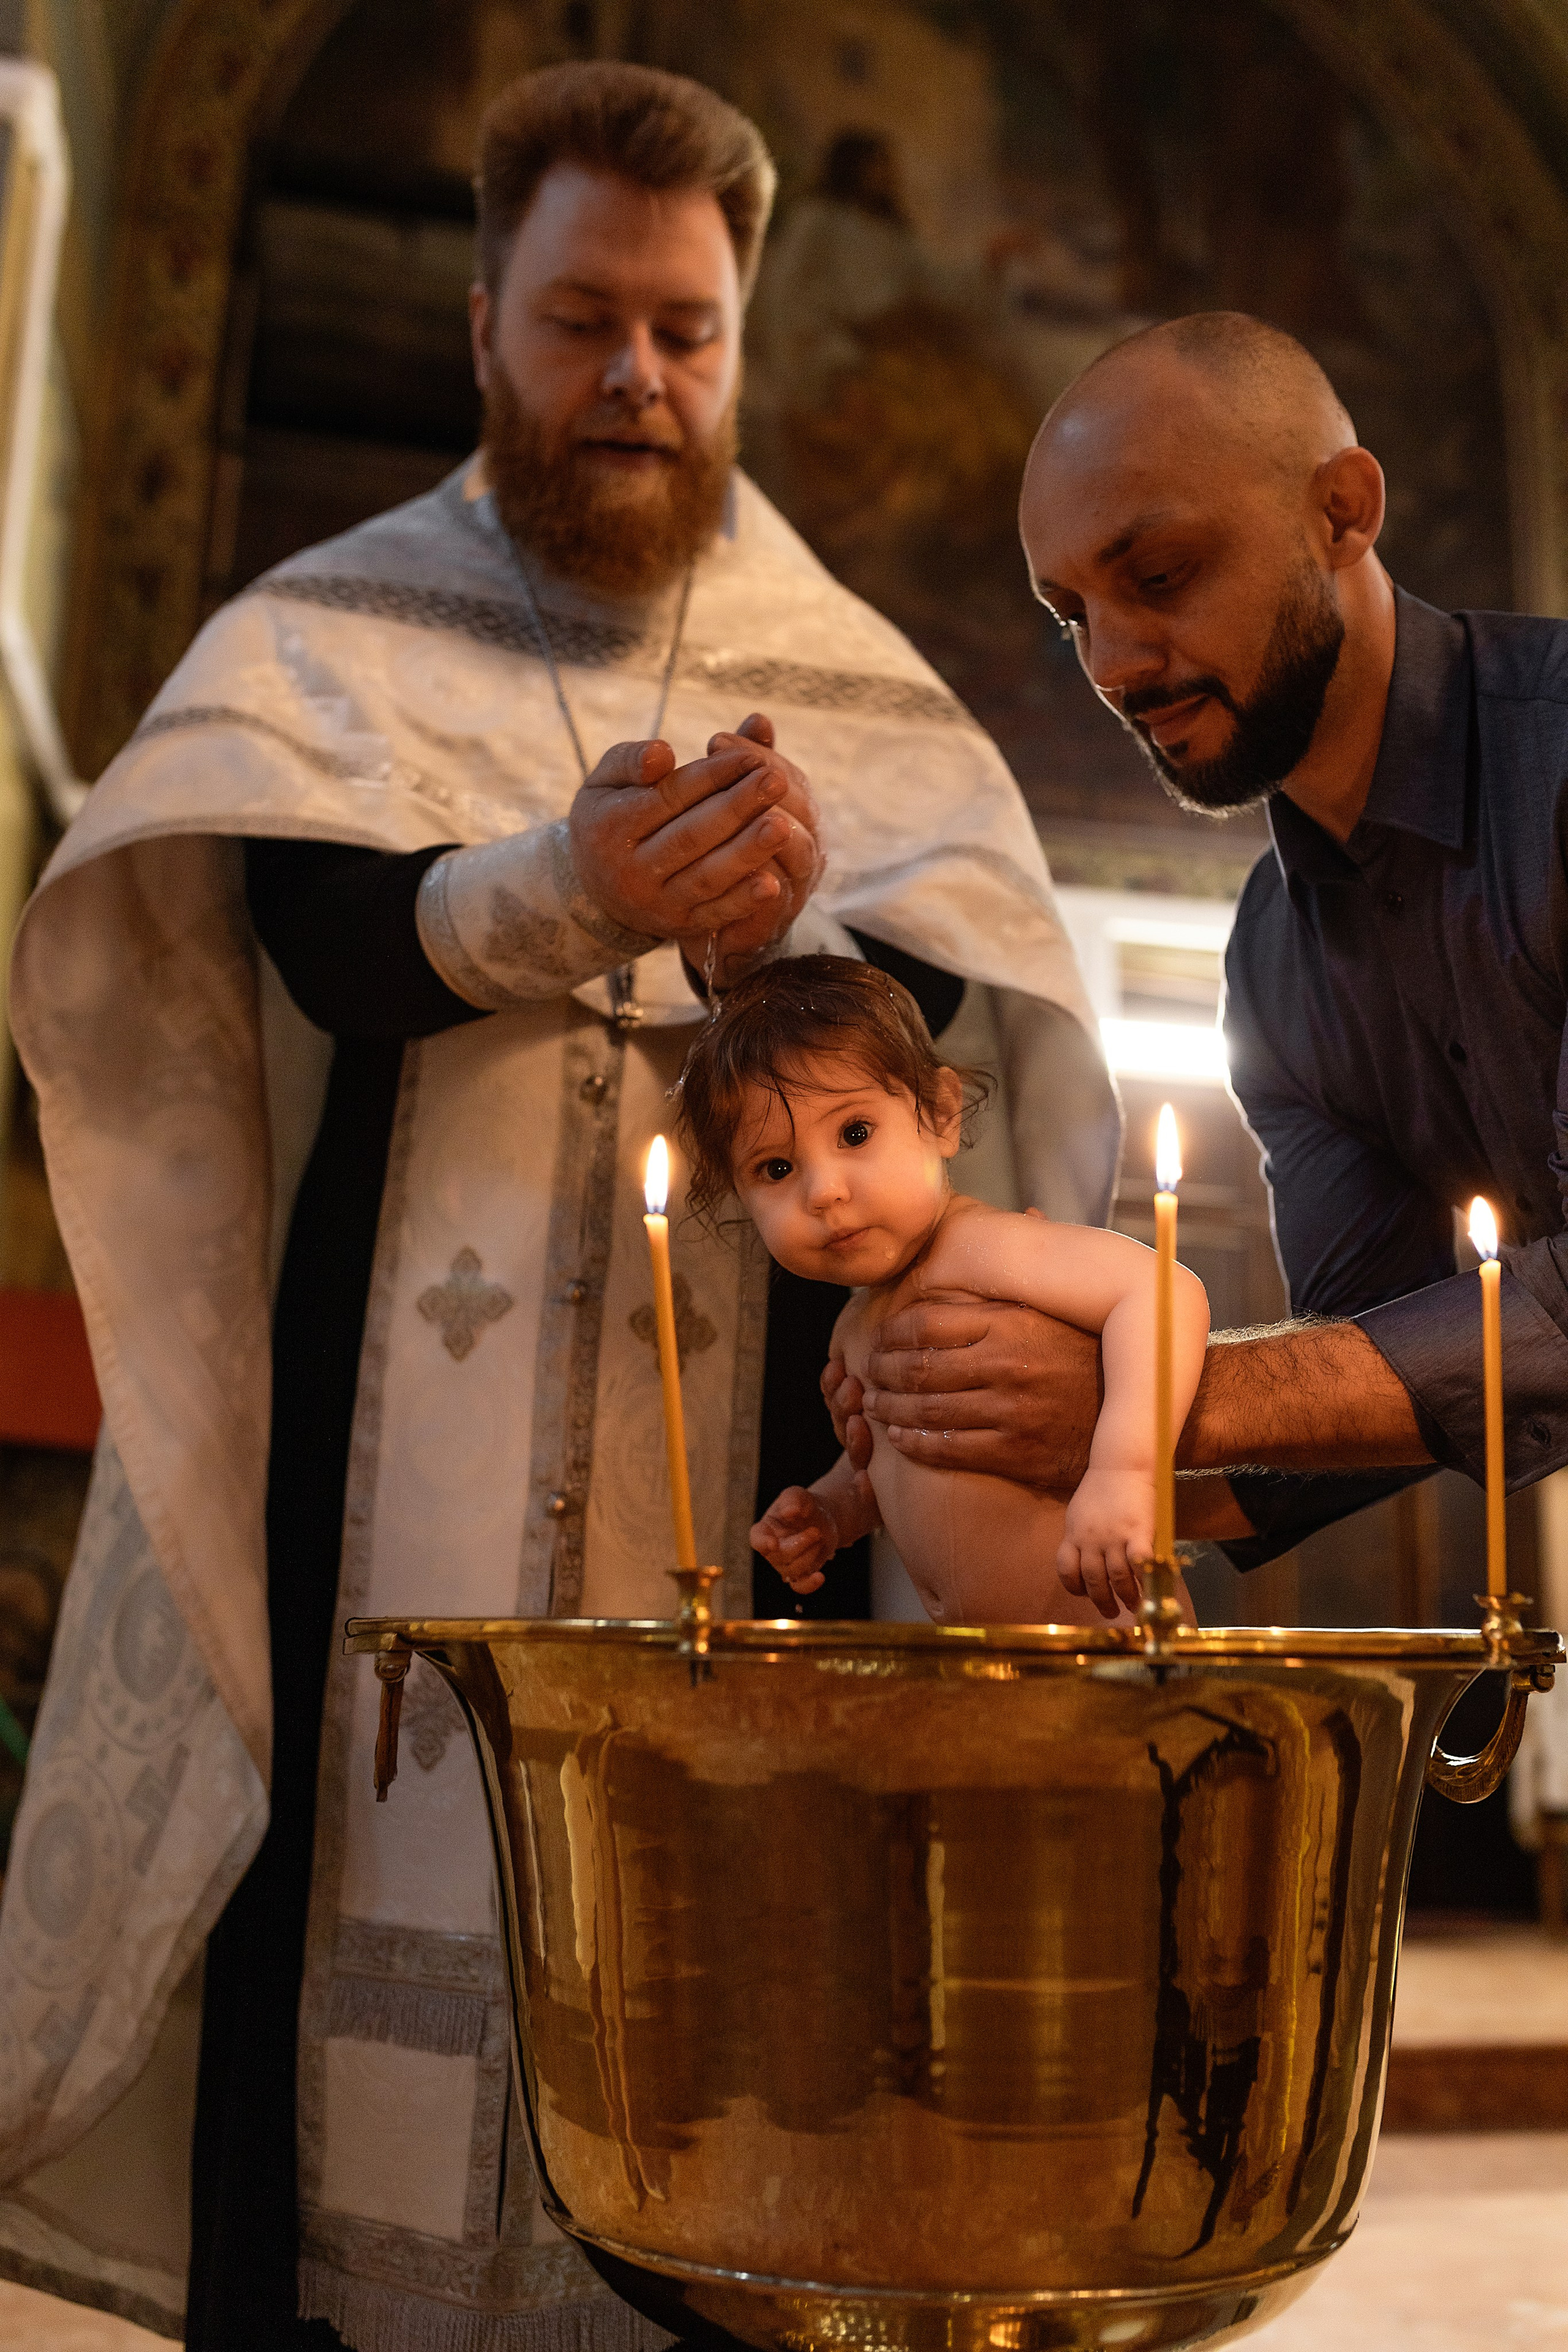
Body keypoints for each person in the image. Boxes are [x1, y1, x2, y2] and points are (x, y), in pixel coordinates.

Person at [0, 60, 1118, 2352]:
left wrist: (777, 961)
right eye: (581, 317)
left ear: (739, 341)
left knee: (732, 2128)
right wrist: (556, 884)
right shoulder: (343, 633)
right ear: (485, 326)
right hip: (372, 1534)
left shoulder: (848, 684)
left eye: (685, 330)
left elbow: (944, 1033)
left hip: (744, 1553)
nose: (636, 375)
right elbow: (295, 944)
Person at [826, 307, 1568, 1597]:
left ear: (1339, 511)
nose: (1110, 665)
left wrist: (1141, 1388)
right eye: (1070, 617)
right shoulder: (1272, 962)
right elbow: (1364, 1376)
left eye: (1157, 577)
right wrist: (989, 1448)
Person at [679, 958, 1206, 1623]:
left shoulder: (983, 1250)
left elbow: (1161, 1293)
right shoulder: (855, 1324)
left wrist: (1126, 1475)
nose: (824, 1191)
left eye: (854, 1134)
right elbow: (907, 1458)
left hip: (1111, 1644)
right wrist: (833, 1509)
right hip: (984, 1672)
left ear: (939, 1114)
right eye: (776, 1168)